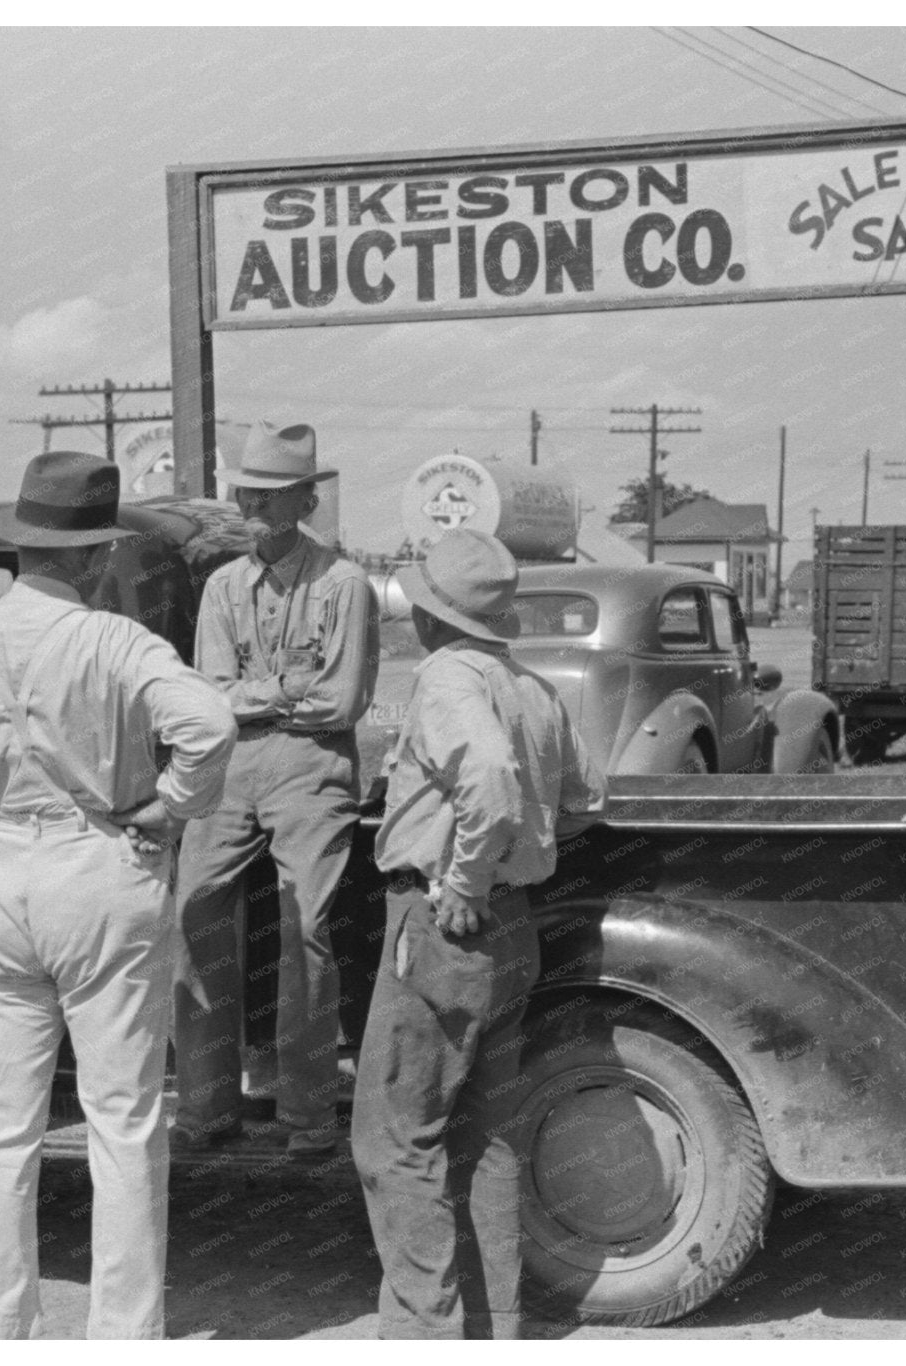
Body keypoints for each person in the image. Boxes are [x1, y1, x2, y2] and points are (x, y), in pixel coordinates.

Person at [0, 451, 237, 1339]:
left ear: (21, 549)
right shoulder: (117, 641)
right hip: (102, 871)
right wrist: (167, 812)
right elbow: (208, 726)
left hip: (0, 876)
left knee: (1, 1131)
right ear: (93, 555)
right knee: (121, 1124)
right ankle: (122, 1337)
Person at [351, 528, 604, 1339]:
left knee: (396, 1138)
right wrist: (515, 860)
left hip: (442, 924)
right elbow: (584, 800)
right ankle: (496, 1328)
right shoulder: (530, 685)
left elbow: (489, 777)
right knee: (487, 1136)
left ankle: (424, 1338)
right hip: (512, 929)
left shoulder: (445, 676)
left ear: (429, 617)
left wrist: (462, 879)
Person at [172, 420, 381, 1156]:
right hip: (231, 763)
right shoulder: (224, 584)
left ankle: (307, 1114)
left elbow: (342, 701)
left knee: (306, 932)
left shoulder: (344, 583)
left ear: (304, 500)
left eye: (268, 494)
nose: (252, 506)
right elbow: (210, 694)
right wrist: (285, 688)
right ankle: (204, 1107)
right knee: (192, 911)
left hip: (313, 766)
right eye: (246, 492)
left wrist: (259, 694)